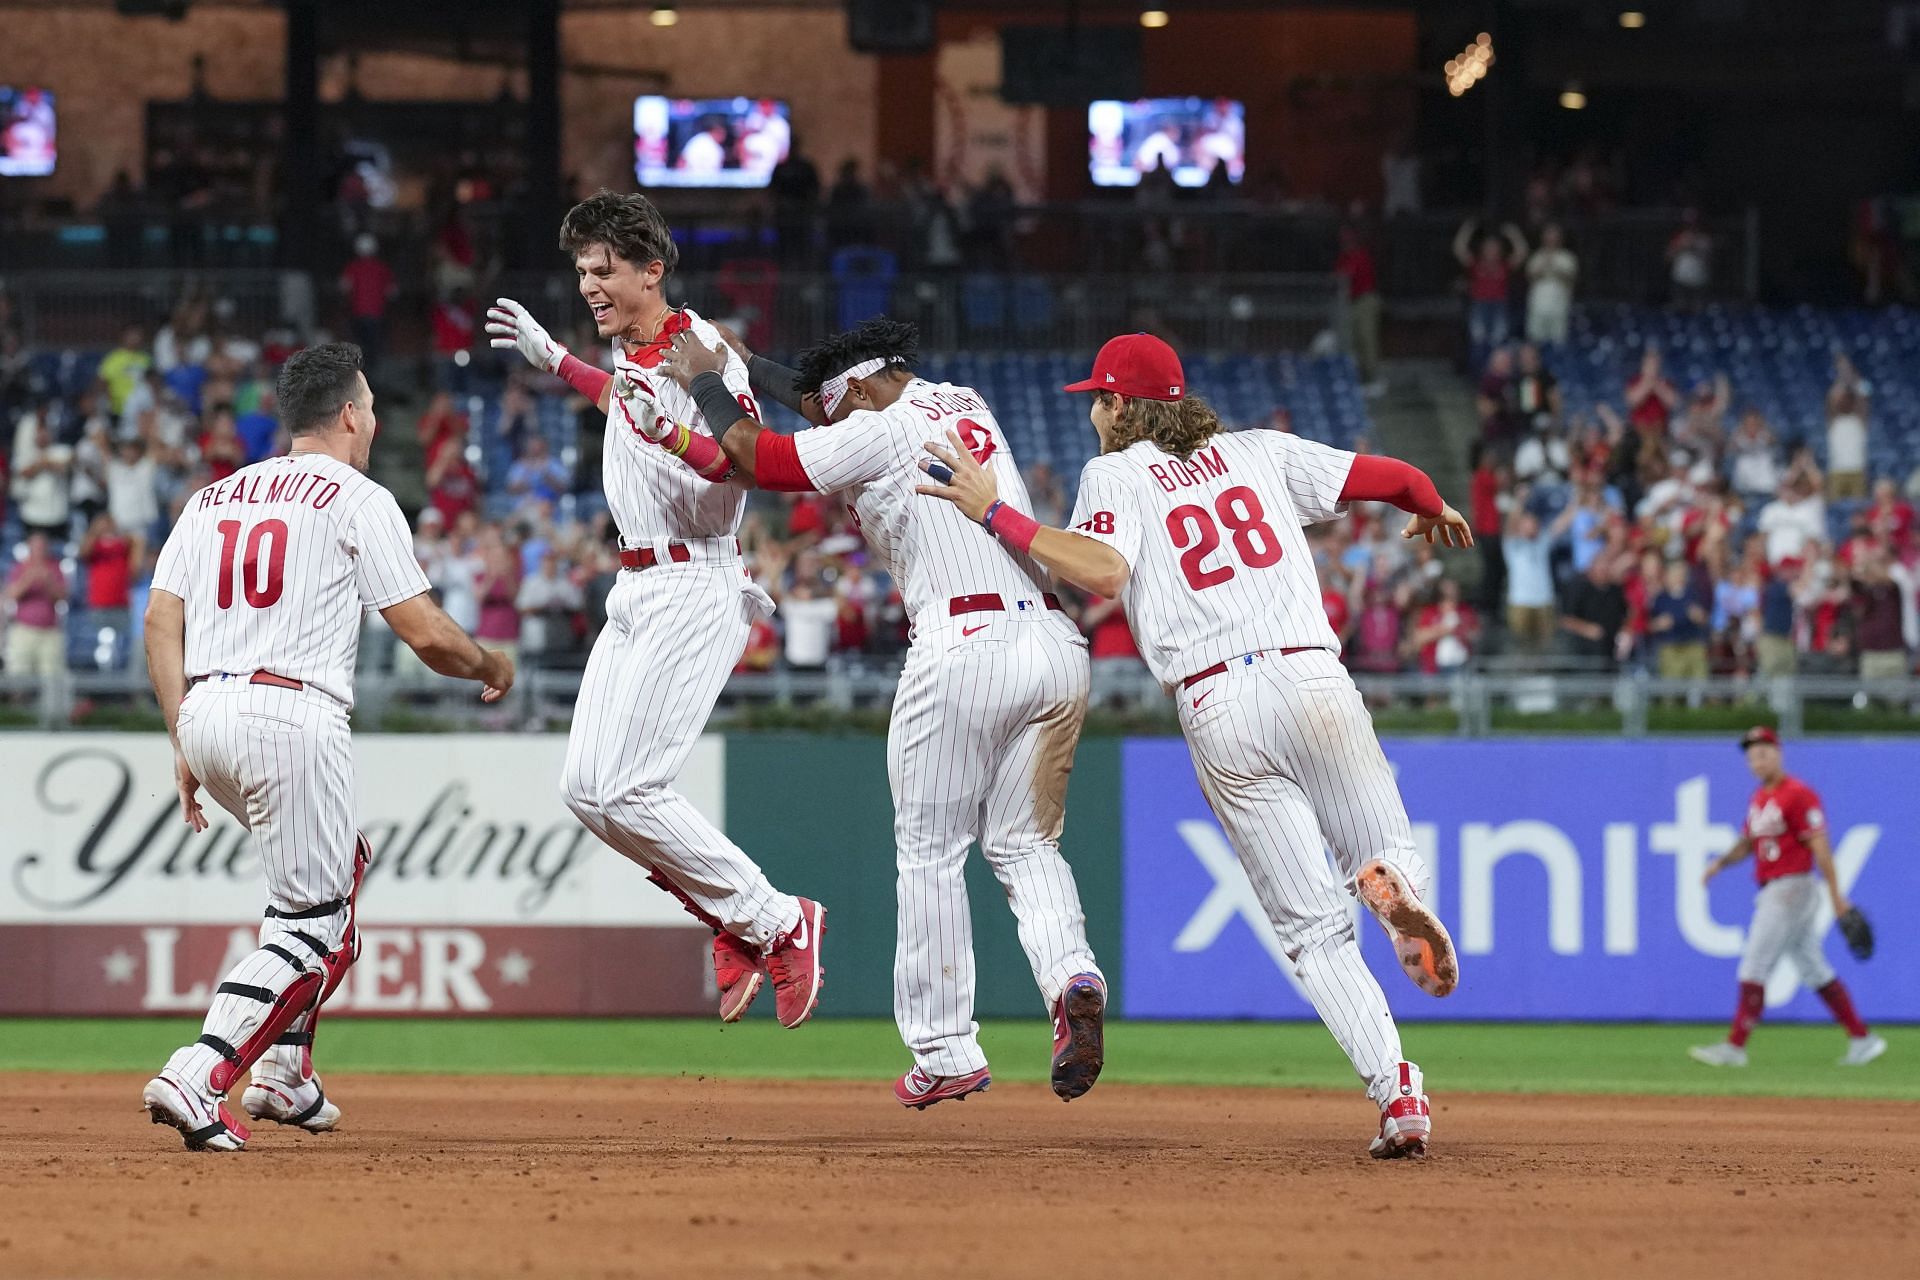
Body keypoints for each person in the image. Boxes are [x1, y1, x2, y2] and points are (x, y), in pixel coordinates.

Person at [918, 331, 1467, 1158]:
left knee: (1313, 934)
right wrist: (1431, 502)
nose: (1094, 414)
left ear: (1124, 406)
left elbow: (1100, 570)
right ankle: (1394, 890)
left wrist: (995, 510)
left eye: (1100, 399)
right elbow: (1392, 477)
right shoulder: (1262, 450)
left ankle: (1398, 1094)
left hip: (1220, 699)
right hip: (1314, 673)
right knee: (1382, 845)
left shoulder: (1116, 471)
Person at [655, 317, 1108, 1107]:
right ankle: (1074, 976)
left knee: (929, 850)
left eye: (833, 411)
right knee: (1025, 844)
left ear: (861, 391)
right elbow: (812, 390)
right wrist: (739, 359)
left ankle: (943, 1049)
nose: (828, 425)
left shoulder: (880, 425)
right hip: (1053, 644)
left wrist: (702, 376)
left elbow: (760, 457)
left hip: (962, 644)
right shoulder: (960, 398)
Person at [138, 343, 514, 1152]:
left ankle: (286, 1073)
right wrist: (491, 663)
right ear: (349, 414)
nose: (375, 419)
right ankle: (199, 1070)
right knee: (319, 928)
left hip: (207, 712)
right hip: (290, 714)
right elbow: (424, 634)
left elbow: (159, 620)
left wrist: (180, 735)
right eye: (371, 407)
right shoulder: (358, 497)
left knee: (339, 866)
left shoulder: (213, 497)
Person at [485, 190, 829, 1029]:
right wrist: (558, 361)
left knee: (633, 786)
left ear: (652, 269)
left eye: (605, 270)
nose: (591, 285)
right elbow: (629, 403)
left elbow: (746, 462)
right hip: (636, 586)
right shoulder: (642, 351)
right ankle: (734, 918)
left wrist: (670, 434)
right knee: (585, 789)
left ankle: (780, 921)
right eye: (581, 272)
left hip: (694, 579)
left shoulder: (702, 347)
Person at [1691, 728, 1886, 1069]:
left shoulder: (1798, 794)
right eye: (1752, 756)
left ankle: (1735, 1047)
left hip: (1791, 886)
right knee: (1813, 967)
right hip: (1775, 887)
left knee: (1754, 963)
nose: (1757, 760)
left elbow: (1821, 847)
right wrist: (1719, 864)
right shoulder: (1759, 799)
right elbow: (1748, 843)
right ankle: (1862, 1039)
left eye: (1763, 752)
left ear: (1778, 753)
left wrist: (1838, 897)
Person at [4, 531, 68, 682]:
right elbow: (11, 595)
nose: (39, 550)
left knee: (51, 675)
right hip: (23, 629)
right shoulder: (20, 567)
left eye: (42, 546)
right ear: (30, 548)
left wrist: (48, 582)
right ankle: (18, 704)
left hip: (49, 630)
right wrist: (28, 579)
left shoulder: (54, 567)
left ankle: (50, 705)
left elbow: (62, 597)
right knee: (19, 673)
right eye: (36, 546)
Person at [1334, 224, 1383, 394]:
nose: (1345, 242)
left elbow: (1348, 275)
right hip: (1351, 303)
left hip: (1366, 300)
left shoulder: (1361, 255)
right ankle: (1361, 378)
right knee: (1353, 340)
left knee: (1367, 339)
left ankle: (1373, 379)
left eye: (1347, 239)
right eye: (1343, 240)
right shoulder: (1343, 257)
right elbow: (1338, 276)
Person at [1825, 353, 1871, 501]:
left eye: (1847, 399)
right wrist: (1841, 374)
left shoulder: (1859, 420)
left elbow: (1863, 397)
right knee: (1834, 507)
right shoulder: (1834, 421)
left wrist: (1850, 374)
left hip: (1857, 469)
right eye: (1842, 400)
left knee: (1858, 506)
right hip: (1837, 470)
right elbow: (1831, 398)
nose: (1844, 402)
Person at [1524, 223, 1577, 346]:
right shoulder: (1536, 256)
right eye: (1548, 236)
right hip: (1537, 306)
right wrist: (1545, 265)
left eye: (1554, 236)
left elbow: (1571, 278)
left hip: (1559, 306)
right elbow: (1530, 276)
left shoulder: (1567, 257)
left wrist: (1555, 267)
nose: (1551, 239)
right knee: (1535, 341)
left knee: (1558, 341)